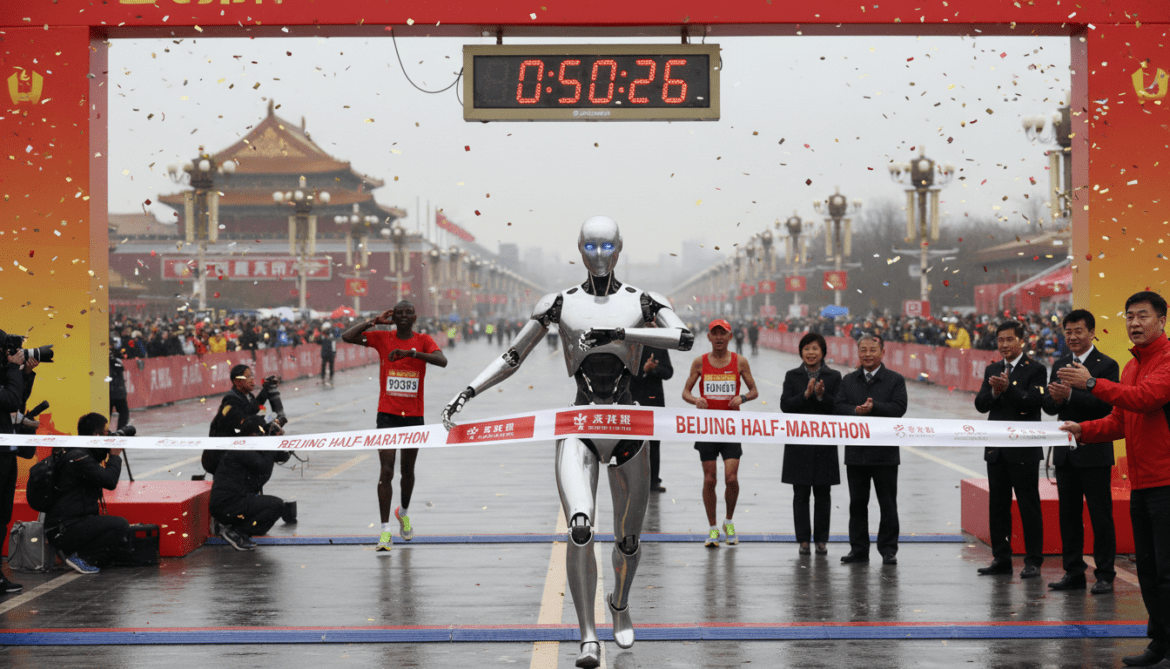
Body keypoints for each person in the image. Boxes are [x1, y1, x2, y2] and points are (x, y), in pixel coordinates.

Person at [441, 216, 693, 669]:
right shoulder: (559, 303)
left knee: (629, 540)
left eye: (607, 245)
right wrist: (469, 391)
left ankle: (620, 603)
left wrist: (621, 334)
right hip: (578, 424)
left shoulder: (643, 300)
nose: (599, 254)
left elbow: (684, 337)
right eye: (590, 245)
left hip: (628, 427)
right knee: (580, 529)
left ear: (619, 249)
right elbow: (513, 355)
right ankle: (588, 636)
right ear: (579, 249)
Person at [1059, 292, 1170, 668]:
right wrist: (1083, 430)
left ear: (1162, 321)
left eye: (1143, 316)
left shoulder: (1167, 360)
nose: (1134, 323)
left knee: (1167, 571)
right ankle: (1159, 642)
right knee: (1148, 570)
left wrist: (1091, 384)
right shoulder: (1131, 366)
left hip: (1166, 481)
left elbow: (1145, 399)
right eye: (1129, 316)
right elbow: (1121, 421)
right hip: (1142, 483)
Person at [342, 301, 447, 553]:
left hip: (413, 416)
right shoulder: (383, 338)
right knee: (386, 472)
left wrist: (412, 354)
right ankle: (385, 531)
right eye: (399, 313)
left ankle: (404, 513)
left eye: (408, 313)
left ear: (415, 317)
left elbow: (441, 360)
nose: (403, 316)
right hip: (387, 415)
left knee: (407, 471)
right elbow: (347, 337)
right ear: (394, 318)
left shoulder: (423, 340)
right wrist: (373, 321)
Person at [1042, 309, 1119, 594]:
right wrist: (1054, 398)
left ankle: (1105, 574)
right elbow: (1050, 407)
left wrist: (1073, 394)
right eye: (1068, 332)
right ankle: (1073, 572)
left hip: (1095, 450)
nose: (1073, 337)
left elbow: (1107, 407)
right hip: (1065, 452)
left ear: (1092, 332)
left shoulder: (1106, 365)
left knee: (1101, 516)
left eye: (1078, 331)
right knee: (1069, 516)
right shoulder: (1060, 364)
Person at [974, 320, 1047, 578]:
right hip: (996, 449)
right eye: (1000, 340)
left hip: (1024, 450)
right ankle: (1001, 558)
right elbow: (981, 405)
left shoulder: (1036, 369)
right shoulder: (992, 369)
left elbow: (1034, 402)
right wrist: (994, 393)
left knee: (1028, 505)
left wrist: (1009, 388)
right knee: (998, 506)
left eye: (1009, 339)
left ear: (1021, 341)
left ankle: (1033, 560)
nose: (1004, 345)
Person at [681, 318, 759, 548]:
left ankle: (729, 522)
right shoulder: (700, 362)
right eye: (714, 333)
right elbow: (685, 392)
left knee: (731, 478)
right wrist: (696, 400)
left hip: (731, 428)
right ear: (708, 337)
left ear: (730, 337)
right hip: (707, 428)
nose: (718, 338)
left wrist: (742, 397)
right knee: (710, 479)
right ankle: (713, 528)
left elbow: (754, 391)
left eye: (722, 333)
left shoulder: (740, 361)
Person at [835, 334, 908, 565]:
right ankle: (858, 550)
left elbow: (899, 408)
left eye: (872, 350)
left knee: (888, 504)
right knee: (857, 504)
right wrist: (855, 411)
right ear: (858, 353)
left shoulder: (895, 380)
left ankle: (888, 550)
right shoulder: (848, 380)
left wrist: (874, 407)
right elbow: (838, 406)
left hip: (885, 454)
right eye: (863, 350)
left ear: (883, 352)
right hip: (856, 454)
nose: (868, 354)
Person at [44, 413, 131, 575]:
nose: (108, 436)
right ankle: (82, 558)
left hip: (67, 524)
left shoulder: (76, 451)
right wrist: (114, 456)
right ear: (96, 435)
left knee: (111, 528)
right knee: (120, 525)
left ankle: (83, 554)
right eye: (106, 433)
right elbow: (110, 481)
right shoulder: (79, 458)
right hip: (64, 529)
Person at [779, 332, 842, 556]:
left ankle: (821, 540)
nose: (811, 353)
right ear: (801, 352)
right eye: (806, 349)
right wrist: (805, 395)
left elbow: (839, 407)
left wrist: (823, 396)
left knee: (823, 494)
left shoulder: (834, 376)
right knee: (801, 494)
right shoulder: (792, 376)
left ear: (823, 352)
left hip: (825, 444)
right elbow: (785, 406)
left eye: (815, 348)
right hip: (799, 445)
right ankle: (804, 540)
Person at [209, 415, 291, 551]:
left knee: (262, 525)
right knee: (276, 505)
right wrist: (269, 441)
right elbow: (264, 466)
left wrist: (278, 439)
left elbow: (283, 456)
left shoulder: (253, 446)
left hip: (238, 501)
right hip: (227, 504)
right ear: (253, 434)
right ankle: (235, 533)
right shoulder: (240, 449)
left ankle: (234, 529)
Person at [0, 336, 37, 594]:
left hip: (5, 451)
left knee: (3, 516)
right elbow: (10, 401)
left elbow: (18, 400)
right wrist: (14, 368)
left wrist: (26, 374)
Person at [630, 326, 673, 493]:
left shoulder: (659, 346)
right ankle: (635, 480)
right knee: (634, 443)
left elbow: (668, 372)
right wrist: (643, 371)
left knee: (654, 443)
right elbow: (624, 373)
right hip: (634, 400)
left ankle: (654, 480)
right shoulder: (631, 344)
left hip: (655, 401)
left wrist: (654, 369)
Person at [109, 349, 129, 430]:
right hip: (109, 394)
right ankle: (104, 432)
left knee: (124, 414)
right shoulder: (102, 364)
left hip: (118, 393)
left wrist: (112, 360)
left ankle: (120, 431)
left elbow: (120, 368)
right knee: (106, 415)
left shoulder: (116, 363)